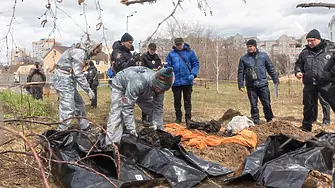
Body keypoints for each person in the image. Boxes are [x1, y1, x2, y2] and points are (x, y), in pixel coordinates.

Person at [105, 66, 174, 144]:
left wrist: (159, 130)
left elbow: (158, 108)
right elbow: (128, 106)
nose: (159, 91)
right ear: (154, 82)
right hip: (121, 86)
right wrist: (132, 130)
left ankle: (155, 135)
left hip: (142, 91)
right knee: (117, 113)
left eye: (162, 90)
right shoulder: (138, 81)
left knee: (152, 110)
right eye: (158, 88)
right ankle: (112, 144)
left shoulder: (161, 89)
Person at [52, 38, 102, 131]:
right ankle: (61, 131)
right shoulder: (79, 53)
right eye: (97, 51)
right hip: (63, 78)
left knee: (79, 103)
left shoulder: (82, 53)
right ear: (92, 47)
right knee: (68, 106)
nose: (96, 54)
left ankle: (85, 126)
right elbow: (78, 74)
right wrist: (88, 89)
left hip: (67, 78)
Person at [295, 29, 335, 132]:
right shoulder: (305, 52)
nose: (309, 43)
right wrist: (298, 71)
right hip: (310, 83)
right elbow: (299, 64)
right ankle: (306, 127)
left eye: (312, 40)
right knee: (308, 105)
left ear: (318, 39)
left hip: (327, 83)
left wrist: (331, 73)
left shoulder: (331, 48)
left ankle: (327, 120)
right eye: (308, 41)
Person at [237, 39, 279, 125]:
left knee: (267, 103)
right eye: (248, 47)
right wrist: (240, 84)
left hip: (263, 84)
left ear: (255, 46)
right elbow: (240, 72)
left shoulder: (263, 56)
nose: (249, 48)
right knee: (253, 105)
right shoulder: (243, 59)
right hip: (251, 85)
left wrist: (275, 79)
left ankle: (269, 120)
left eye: (251, 46)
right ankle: (256, 121)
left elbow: (270, 67)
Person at [165, 37, 200, 125]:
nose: (179, 46)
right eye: (177, 45)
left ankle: (188, 118)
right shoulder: (171, 54)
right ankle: (178, 118)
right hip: (175, 81)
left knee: (187, 101)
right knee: (177, 100)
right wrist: (168, 71)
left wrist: (193, 74)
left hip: (187, 80)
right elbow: (167, 66)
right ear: (175, 45)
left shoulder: (190, 53)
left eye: (180, 44)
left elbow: (196, 64)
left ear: (183, 43)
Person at [139, 43, 163, 124]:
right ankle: (144, 117)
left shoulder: (157, 58)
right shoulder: (144, 57)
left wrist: (159, 68)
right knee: (146, 99)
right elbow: (142, 68)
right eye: (151, 49)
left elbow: (159, 65)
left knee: (153, 99)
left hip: (155, 80)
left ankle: (152, 117)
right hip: (146, 80)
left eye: (154, 50)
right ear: (148, 49)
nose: (152, 51)